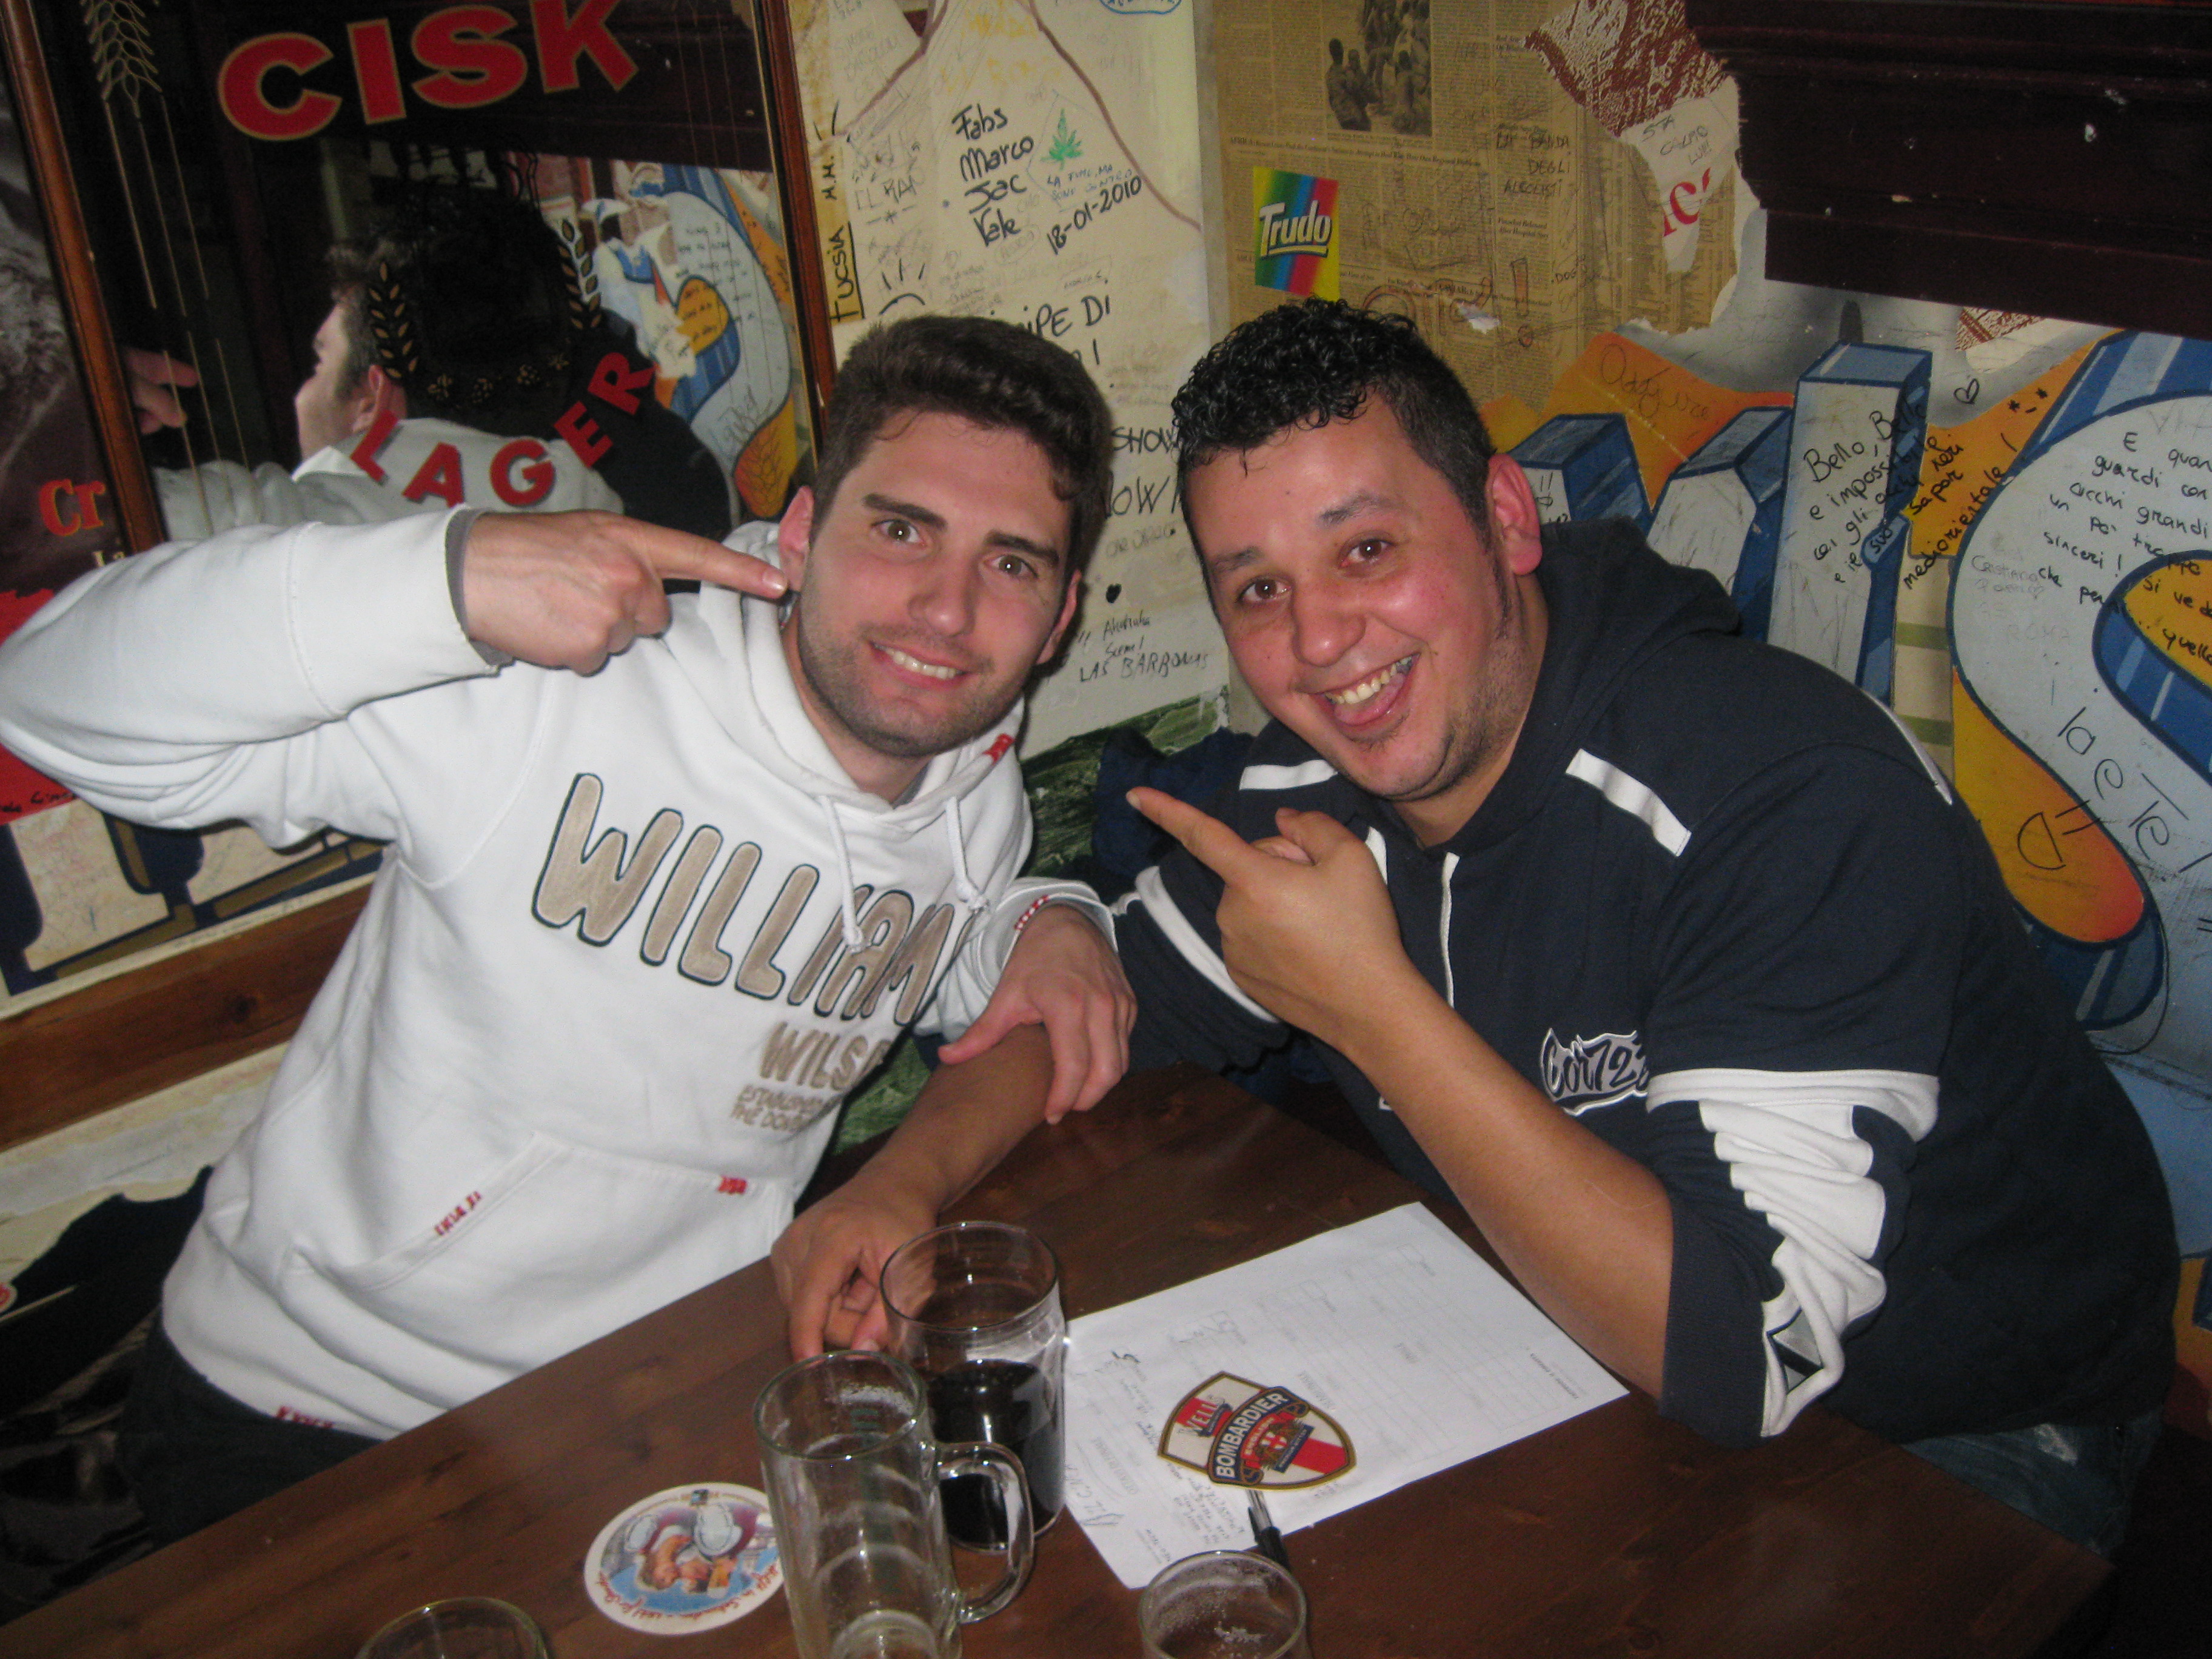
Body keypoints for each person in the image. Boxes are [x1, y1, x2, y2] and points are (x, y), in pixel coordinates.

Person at [0, 312, 1131, 1543]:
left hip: (657, 1396)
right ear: (802, 532)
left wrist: (1049, 914)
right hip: (310, 1409)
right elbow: (47, 693)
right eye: (900, 529)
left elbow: (980, 969)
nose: (946, 610)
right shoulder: (555, 688)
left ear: (1060, 613)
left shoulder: (974, 792)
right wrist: (447, 579)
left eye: (1010, 564)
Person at [1116, 301, 2175, 1555]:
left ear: (1505, 519)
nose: (1317, 641)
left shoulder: (1786, 791)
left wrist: (1373, 1007)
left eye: (1366, 550)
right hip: (1580, 1343)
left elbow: (1741, 1354)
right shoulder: (1320, 772)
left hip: (1953, 1425)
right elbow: (1098, 1010)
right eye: (1259, 588)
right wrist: (1044, 960)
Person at [136, 186, 632, 541]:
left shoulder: (268, 533)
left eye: (320, 363)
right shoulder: (607, 524)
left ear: (373, 400)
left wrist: (90, 415)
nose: (302, 393)